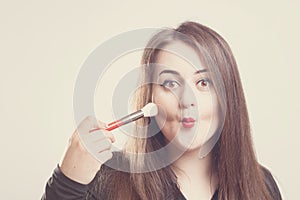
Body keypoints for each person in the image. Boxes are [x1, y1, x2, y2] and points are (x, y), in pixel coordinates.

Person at [42, 21, 282, 200]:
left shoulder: (262, 185)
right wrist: (67, 182)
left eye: (203, 83)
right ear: (150, 99)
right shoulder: (109, 179)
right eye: (171, 84)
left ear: (228, 97)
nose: (188, 101)